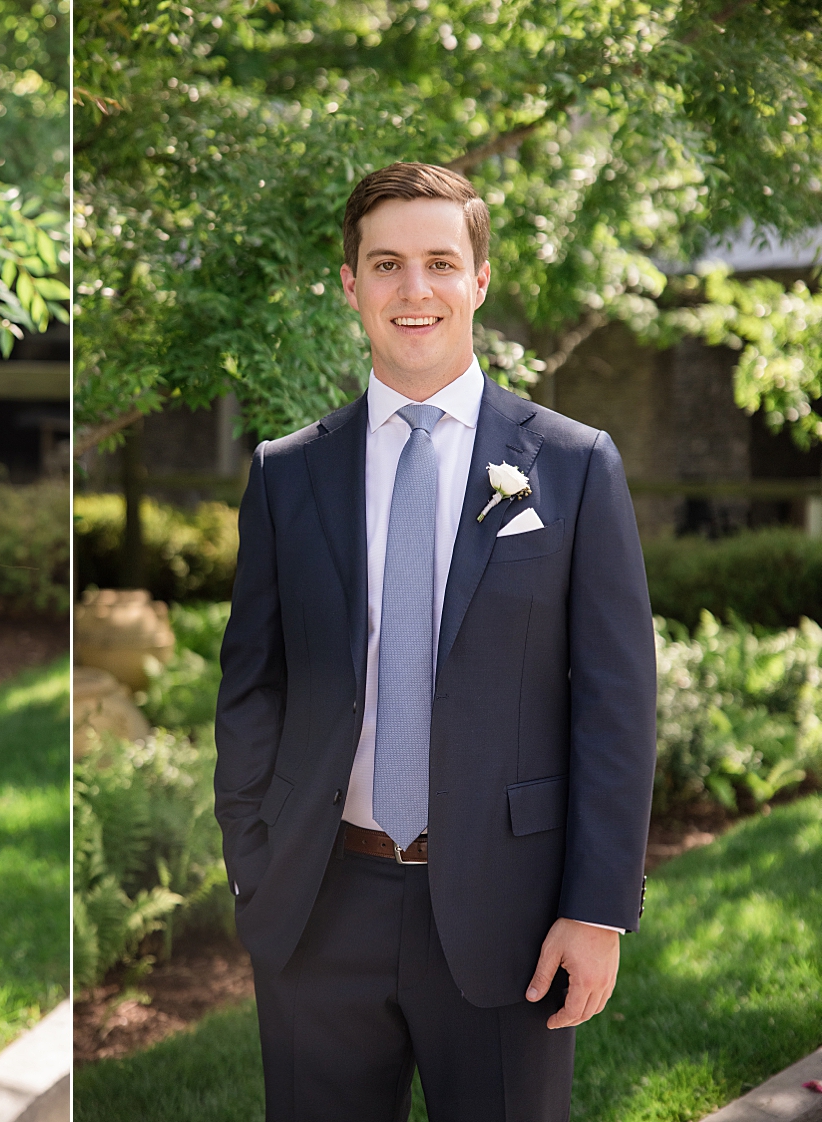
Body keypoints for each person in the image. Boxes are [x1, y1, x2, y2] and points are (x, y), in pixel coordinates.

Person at [213, 162, 657, 1122]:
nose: (414, 291)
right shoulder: (288, 473)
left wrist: (595, 908)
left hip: (515, 910)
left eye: (439, 263)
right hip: (320, 904)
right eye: (386, 265)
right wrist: (253, 858)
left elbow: (616, 704)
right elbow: (254, 685)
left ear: (479, 280)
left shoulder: (575, 466)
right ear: (351, 285)